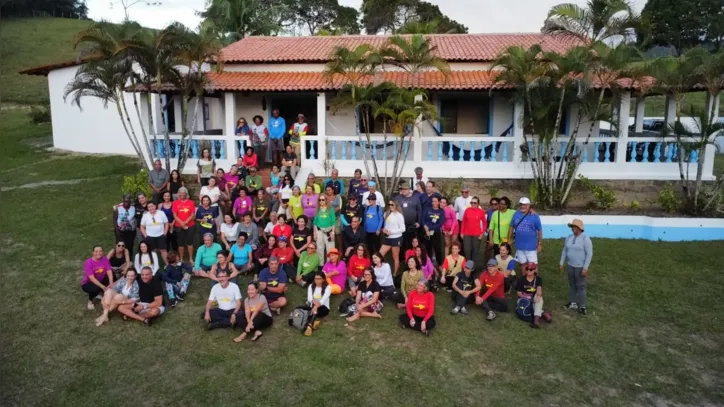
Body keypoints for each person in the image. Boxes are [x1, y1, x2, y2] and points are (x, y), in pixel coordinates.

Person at [560, 218, 593, 315]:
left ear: (580, 228)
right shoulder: (569, 237)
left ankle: (582, 306)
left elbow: (589, 254)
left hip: (580, 267)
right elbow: (565, 250)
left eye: (576, 227)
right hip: (570, 265)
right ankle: (573, 302)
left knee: (581, 286)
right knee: (572, 285)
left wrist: (585, 267)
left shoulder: (585, 239)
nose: (574, 229)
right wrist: (561, 263)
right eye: (572, 227)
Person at [508, 197, 543, 270]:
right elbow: (511, 226)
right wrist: (509, 239)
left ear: (529, 205)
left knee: (533, 265)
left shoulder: (534, 216)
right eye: (521, 204)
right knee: (523, 264)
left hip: (531, 247)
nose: (523, 206)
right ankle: (525, 279)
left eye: (525, 205)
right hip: (519, 246)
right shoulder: (516, 214)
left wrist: (539, 244)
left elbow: (539, 230)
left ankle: (535, 280)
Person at [516, 263, 552, 328]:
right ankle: (543, 314)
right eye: (527, 269)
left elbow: (539, 288)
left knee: (539, 299)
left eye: (531, 269)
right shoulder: (521, 279)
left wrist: (538, 295)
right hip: (524, 298)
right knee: (530, 305)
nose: (529, 271)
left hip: (533, 297)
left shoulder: (538, 279)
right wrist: (525, 297)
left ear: (534, 270)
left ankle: (536, 321)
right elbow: (519, 293)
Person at [81, 246, 114, 310]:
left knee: (113, 276)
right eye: (96, 251)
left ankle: (102, 293)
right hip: (88, 282)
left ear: (102, 252)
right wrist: (103, 287)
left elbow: (109, 272)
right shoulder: (88, 262)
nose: (98, 253)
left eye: (100, 251)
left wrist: (111, 283)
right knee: (95, 289)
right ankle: (90, 301)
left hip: (100, 279)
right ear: (93, 252)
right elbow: (92, 278)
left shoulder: (105, 259)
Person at [299, 271, 332, 336]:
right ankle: (313, 323)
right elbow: (309, 298)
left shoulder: (328, 288)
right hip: (313, 307)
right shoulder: (311, 286)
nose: (317, 281)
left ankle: (309, 325)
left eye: (319, 279)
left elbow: (323, 300)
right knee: (299, 308)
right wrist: (314, 304)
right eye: (315, 279)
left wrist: (316, 306)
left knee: (313, 310)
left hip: (324, 308)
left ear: (323, 279)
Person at [395, 182, 422, 256]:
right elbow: (394, 210)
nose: (403, 190)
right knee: (401, 242)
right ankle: (401, 258)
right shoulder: (398, 198)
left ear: (409, 189)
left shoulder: (415, 198)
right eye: (402, 189)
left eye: (405, 189)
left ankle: (411, 257)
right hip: (400, 225)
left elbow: (419, 211)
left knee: (411, 242)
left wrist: (418, 222)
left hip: (412, 225)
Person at [379, 201, 405, 276]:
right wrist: (384, 230)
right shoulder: (386, 213)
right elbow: (386, 225)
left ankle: (395, 274)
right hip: (387, 238)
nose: (390, 206)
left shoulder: (399, 215)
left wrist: (392, 232)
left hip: (396, 238)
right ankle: (381, 271)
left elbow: (403, 229)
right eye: (389, 204)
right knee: (380, 254)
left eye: (392, 204)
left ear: (396, 205)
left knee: (395, 256)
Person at [460, 196, 486, 266]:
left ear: (478, 204)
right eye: (472, 203)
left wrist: (482, 233)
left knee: (475, 251)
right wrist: (461, 232)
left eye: (475, 203)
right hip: (467, 234)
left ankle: (473, 267)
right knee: (466, 250)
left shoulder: (481, 211)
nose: (473, 204)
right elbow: (464, 222)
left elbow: (484, 223)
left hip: (476, 235)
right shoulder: (467, 210)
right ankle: (468, 266)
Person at [172, 187, 195, 263]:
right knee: (180, 243)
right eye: (180, 193)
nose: (182, 194)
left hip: (190, 225)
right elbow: (175, 215)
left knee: (190, 242)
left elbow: (192, 214)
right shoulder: (175, 203)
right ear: (178, 194)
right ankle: (181, 259)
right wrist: (181, 223)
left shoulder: (191, 202)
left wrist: (185, 222)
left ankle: (191, 258)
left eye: (183, 192)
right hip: (178, 226)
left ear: (186, 193)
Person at [422, 195, 445, 266]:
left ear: (438, 202)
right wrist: (425, 228)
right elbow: (423, 220)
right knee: (427, 248)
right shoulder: (427, 209)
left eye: (435, 201)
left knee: (438, 249)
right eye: (432, 201)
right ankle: (428, 264)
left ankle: (440, 264)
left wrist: (429, 228)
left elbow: (440, 224)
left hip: (436, 232)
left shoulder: (441, 212)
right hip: (426, 232)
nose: (433, 203)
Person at [313, 194, 337, 263]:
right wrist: (314, 233)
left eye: (323, 199)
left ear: (326, 200)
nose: (321, 201)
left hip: (329, 231)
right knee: (319, 248)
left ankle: (330, 264)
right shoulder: (317, 209)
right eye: (320, 200)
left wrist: (333, 232)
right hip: (319, 230)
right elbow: (315, 222)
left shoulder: (330, 209)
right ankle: (320, 265)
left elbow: (333, 222)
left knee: (330, 249)